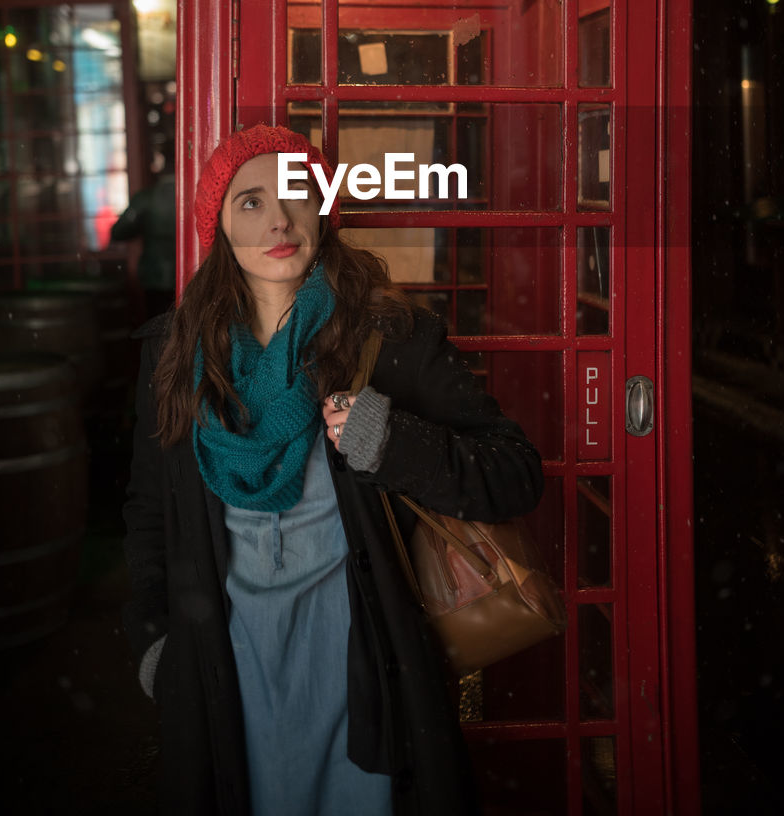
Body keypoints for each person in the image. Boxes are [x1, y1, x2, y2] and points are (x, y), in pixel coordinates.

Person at [122, 123, 544, 816]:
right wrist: (153, 643)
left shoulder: (392, 339)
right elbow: (146, 513)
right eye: (249, 202)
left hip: (364, 663)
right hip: (225, 667)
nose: (279, 218)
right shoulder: (172, 357)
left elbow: (515, 473)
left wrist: (394, 443)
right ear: (218, 225)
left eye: (296, 192)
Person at [110, 168, 176, 317]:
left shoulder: (145, 198)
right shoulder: (196, 194)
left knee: (157, 327)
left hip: (155, 274)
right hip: (192, 272)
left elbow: (119, 232)